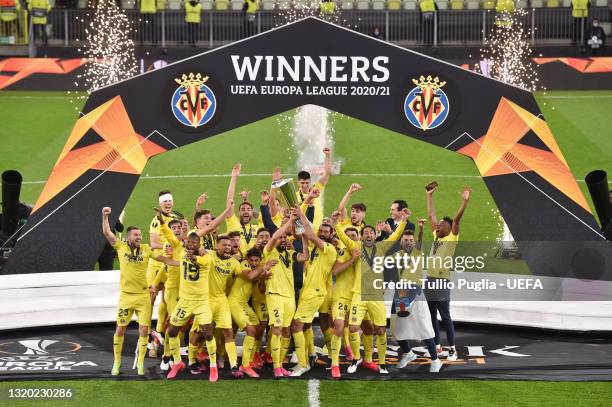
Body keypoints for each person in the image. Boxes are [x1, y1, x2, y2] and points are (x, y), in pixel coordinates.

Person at [334, 205, 411, 375]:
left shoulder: (382, 247)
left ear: (375, 235)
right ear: (361, 237)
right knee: (353, 328)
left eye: (371, 233)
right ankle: (355, 359)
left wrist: (404, 221)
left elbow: (396, 235)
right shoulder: (356, 247)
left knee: (381, 330)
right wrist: (335, 224)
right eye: (366, 233)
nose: (368, 234)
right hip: (359, 295)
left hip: (376, 296)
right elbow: (342, 236)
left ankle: (382, 363)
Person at [101, 207, 173, 376]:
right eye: (136, 235)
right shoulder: (121, 246)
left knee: (143, 330)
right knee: (120, 329)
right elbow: (107, 233)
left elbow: (163, 258)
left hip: (143, 296)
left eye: (140, 235)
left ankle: (140, 364)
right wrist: (105, 217)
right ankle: (117, 363)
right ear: (128, 237)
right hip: (126, 297)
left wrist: (177, 261)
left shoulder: (146, 249)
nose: (139, 237)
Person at [425, 184, 471, 361]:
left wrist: (464, 202)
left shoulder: (452, 238)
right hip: (429, 280)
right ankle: (437, 345)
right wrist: (429, 196)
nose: (437, 227)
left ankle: (452, 349)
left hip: (441, 281)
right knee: (431, 315)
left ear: (449, 228)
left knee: (445, 315)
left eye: (442, 225)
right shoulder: (437, 236)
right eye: (438, 225)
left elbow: (457, 220)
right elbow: (431, 215)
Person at [388, 223, 442, 373]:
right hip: (400, 293)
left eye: (411, 240)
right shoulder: (396, 256)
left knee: (423, 328)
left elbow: (420, 239)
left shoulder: (417, 253)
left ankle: (435, 360)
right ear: (401, 242)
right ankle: (407, 353)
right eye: (406, 240)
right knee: (395, 328)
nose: (409, 242)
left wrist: (422, 230)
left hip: (415, 294)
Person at [290, 210, 337, 377]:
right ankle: (311, 355)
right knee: (306, 326)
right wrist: (299, 226)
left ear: (332, 235)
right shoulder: (317, 250)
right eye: (321, 231)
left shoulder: (329, 249)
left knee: (296, 325)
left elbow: (310, 234)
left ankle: (303, 364)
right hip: (307, 291)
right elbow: (305, 238)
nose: (323, 234)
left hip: (315, 293)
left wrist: (301, 213)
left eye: (326, 232)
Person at [262, 214, 309, 378]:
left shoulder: (289, 254)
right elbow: (274, 236)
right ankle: (276, 367)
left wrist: (303, 237)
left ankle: (280, 364)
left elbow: (304, 257)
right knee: (276, 329)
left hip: (289, 297)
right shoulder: (268, 252)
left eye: (284, 238)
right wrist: (289, 221)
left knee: (286, 332)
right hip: (275, 295)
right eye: (280, 238)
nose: (282, 239)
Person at [228, 247, 276, 377]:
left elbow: (260, 288)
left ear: (259, 259)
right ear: (247, 259)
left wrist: (262, 278)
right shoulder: (243, 264)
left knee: (256, 325)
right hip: (234, 302)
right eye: (252, 260)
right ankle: (245, 364)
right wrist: (264, 267)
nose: (254, 263)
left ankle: (249, 358)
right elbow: (249, 276)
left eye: (256, 260)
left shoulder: (258, 268)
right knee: (250, 330)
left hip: (243, 303)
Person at [294, 147, 332, 230]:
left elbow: (327, 173)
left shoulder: (315, 189)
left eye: (307, 183)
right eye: (302, 183)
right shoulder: (295, 197)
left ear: (310, 182)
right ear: (298, 183)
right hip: (304, 231)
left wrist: (328, 156)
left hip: (320, 231)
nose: (305, 185)